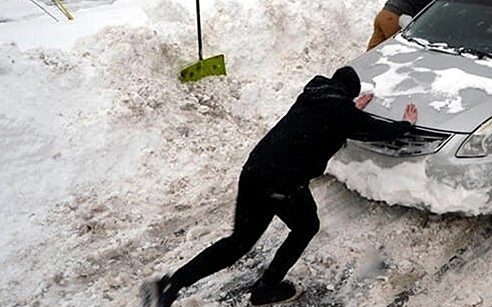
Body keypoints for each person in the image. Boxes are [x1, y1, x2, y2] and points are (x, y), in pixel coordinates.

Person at [141, 67, 418, 307]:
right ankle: (267, 287)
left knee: (237, 242)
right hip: (282, 181)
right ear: (348, 95)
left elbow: (336, 117)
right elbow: (377, 130)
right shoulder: (341, 112)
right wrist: (406, 123)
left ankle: (169, 284)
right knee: (306, 226)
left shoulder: (313, 95)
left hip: (255, 169)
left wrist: (350, 109)